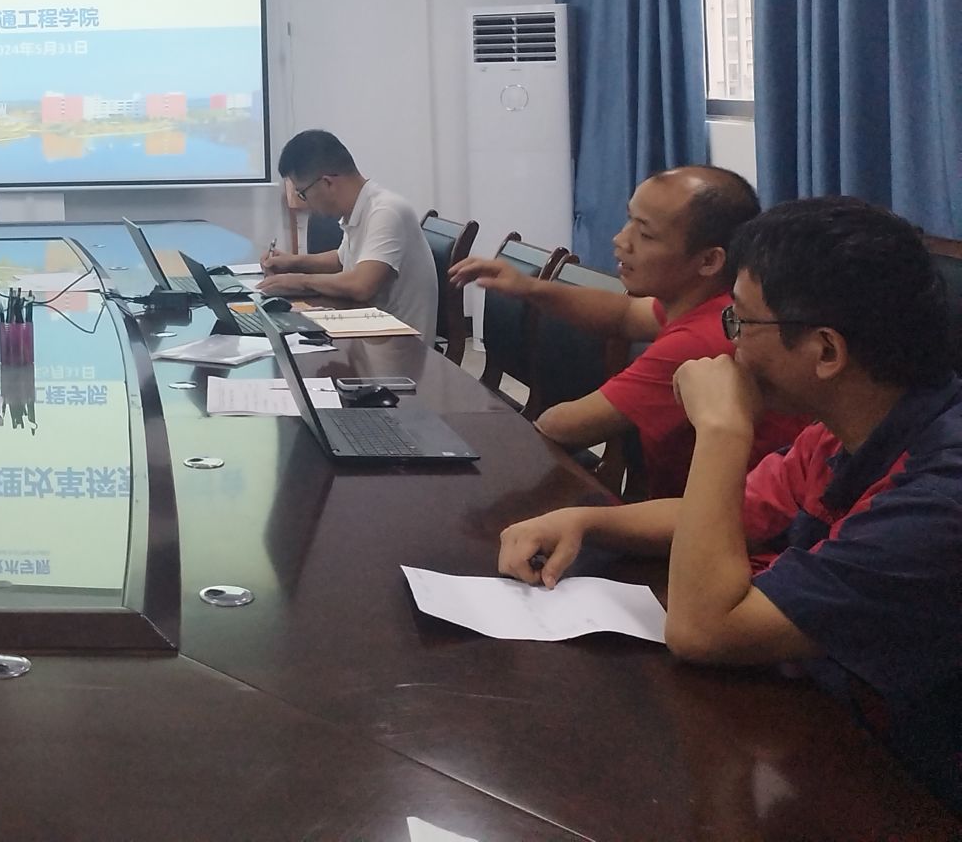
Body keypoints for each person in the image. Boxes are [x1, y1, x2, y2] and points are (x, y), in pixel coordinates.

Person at [497, 197, 962, 814]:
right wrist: (587, 519)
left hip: (908, 792)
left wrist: (721, 430)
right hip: (828, 724)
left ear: (826, 351)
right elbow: (730, 514)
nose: (729, 344)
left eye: (740, 322)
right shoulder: (848, 427)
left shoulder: (939, 498)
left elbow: (704, 631)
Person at [451, 165, 806, 497]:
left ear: (709, 260)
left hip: (716, 523)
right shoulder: (711, 304)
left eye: (645, 233)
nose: (621, 239)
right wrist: (530, 288)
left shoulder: (703, 340)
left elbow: (563, 427)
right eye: (629, 220)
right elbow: (624, 314)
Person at [256, 129, 437, 337]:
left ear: (327, 183)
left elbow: (361, 285)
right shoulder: (359, 208)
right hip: (370, 329)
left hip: (400, 344)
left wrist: (300, 281)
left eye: (302, 193)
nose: (304, 201)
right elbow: (341, 260)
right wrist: (291, 262)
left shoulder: (386, 211)